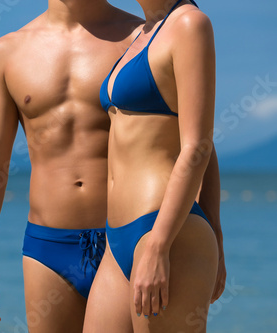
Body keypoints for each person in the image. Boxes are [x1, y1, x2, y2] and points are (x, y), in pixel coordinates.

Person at [0, 0, 225, 332]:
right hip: (49, 246)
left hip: (136, 229)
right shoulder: (7, 52)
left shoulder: (142, 34)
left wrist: (214, 234)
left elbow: (194, 140)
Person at [83, 0, 223, 332]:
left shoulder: (190, 24)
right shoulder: (143, 33)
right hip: (117, 238)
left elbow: (198, 146)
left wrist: (161, 244)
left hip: (166, 231)